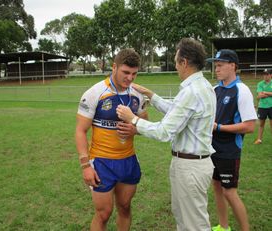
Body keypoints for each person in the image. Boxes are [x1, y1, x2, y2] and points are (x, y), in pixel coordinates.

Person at [116, 38, 216, 231]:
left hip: (190, 167)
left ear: (184, 62)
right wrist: (151, 96)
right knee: (185, 219)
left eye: (176, 60)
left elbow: (164, 132)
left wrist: (133, 120)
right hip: (193, 164)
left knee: (194, 225)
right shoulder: (203, 86)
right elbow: (178, 112)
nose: (176, 65)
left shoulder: (192, 92)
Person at [75, 48, 148, 231]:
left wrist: (135, 129)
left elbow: (145, 123)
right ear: (114, 67)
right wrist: (85, 166)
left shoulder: (137, 94)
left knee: (124, 207)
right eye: (126, 72)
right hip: (102, 162)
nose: (130, 78)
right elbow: (80, 131)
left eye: (134, 74)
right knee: (104, 213)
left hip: (128, 160)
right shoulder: (95, 93)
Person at [206, 49, 257, 231]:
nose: (216, 69)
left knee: (229, 192)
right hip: (212, 150)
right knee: (217, 188)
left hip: (229, 151)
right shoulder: (214, 89)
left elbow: (250, 126)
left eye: (220, 65)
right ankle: (224, 226)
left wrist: (218, 127)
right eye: (215, 66)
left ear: (232, 66)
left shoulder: (241, 90)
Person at [254, 68, 272, 144]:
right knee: (261, 124)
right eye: (264, 74)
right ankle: (259, 139)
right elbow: (259, 95)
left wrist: (265, 92)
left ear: (271, 75)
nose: (265, 76)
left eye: (267, 74)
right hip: (262, 107)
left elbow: (262, 94)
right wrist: (269, 93)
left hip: (271, 106)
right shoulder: (260, 84)